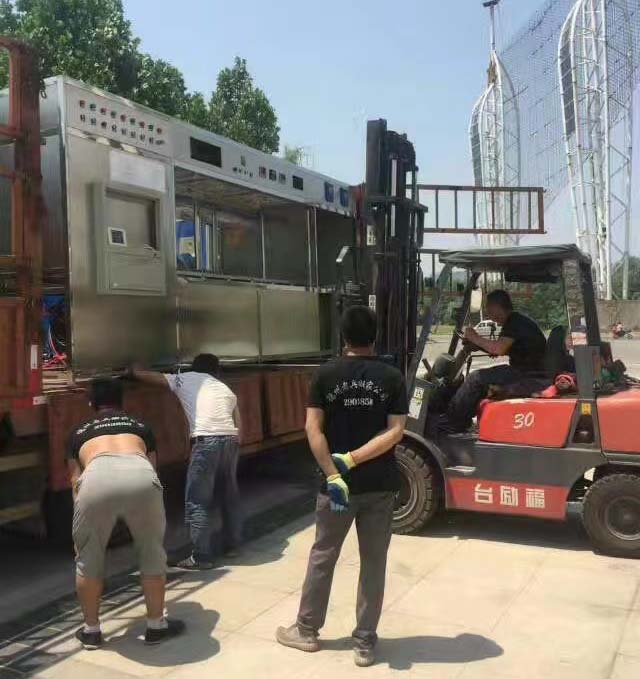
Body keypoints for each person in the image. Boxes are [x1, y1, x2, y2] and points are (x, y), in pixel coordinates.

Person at [276, 306, 408, 668]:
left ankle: (306, 631)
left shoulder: (325, 374)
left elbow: (312, 428)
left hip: (336, 489)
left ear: (343, 336)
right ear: (375, 336)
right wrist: (354, 459)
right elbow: (396, 431)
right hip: (380, 485)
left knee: (323, 555)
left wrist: (335, 473)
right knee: (374, 562)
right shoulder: (391, 377)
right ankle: (364, 642)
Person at [67, 378, 184, 649]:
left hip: (96, 477)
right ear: (122, 402)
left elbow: (75, 481)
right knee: (151, 552)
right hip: (139, 472)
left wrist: (80, 529)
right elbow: (152, 469)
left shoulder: (78, 432)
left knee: (88, 559)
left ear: (92, 404)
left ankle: (91, 631)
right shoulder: (140, 426)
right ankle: (156, 625)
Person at [130, 354, 242, 570]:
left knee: (198, 500)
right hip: (230, 441)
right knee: (228, 495)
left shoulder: (187, 378)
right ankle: (232, 546)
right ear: (216, 371)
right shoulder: (225, 389)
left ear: (194, 368)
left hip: (206, 441)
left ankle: (201, 557)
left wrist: (134, 370)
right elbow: (239, 428)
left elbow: (152, 377)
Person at [447, 289, 547, 431]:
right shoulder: (515, 321)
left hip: (528, 374)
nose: (487, 312)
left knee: (475, 378)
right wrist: (476, 346)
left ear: (496, 307)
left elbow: (498, 349)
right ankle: (462, 420)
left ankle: (450, 422)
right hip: (527, 371)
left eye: (488, 307)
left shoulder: (515, 322)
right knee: (482, 379)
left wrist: (474, 336)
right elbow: (502, 348)